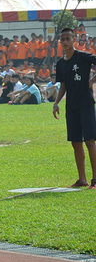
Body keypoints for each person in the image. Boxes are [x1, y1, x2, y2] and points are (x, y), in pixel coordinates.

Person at [53, 28, 96, 189]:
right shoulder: (61, 63)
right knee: (75, 142)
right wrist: (56, 102)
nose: (65, 42)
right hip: (71, 106)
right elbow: (63, 85)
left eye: (67, 39)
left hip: (86, 104)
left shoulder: (83, 56)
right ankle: (82, 179)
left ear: (74, 40)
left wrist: (91, 81)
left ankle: (95, 179)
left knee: (90, 141)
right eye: (62, 39)